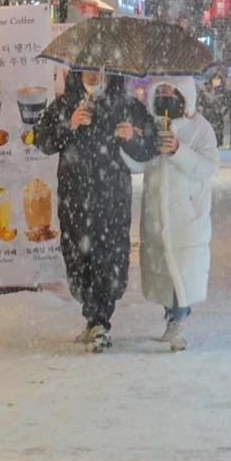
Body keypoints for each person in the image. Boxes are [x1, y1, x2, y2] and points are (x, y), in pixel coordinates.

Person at [34, 68, 158, 351]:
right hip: (74, 198)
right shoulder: (65, 105)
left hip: (111, 197)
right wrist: (70, 124)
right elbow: (41, 141)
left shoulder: (125, 105)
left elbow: (149, 148)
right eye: (86, 68)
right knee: (77, 259)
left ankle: (99, 320)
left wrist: (132, 137)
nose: (91, 74)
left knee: (109, 257)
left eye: (98, 67)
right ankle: (92, 314)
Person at [138, 78, 220, 352]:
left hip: (186, 215)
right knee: (164, 271)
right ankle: (170, 316)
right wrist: (129, 142)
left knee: (182, 272)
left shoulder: (200, 128)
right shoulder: (151, 125)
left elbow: (209, 167)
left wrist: (178, 151)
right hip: (155, 215)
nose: (165, 96)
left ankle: (178, 320)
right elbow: (138, 163)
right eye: (160, 91)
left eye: (171, 91)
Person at [197, 72, 230, 148]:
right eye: (215, 79)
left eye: (218, 79)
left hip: (218, 115)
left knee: (218, 131)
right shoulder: (205, 91)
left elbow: (227, 103)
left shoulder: (223, 91)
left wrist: (224, 110)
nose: (216, 81)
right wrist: (201, 109)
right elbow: (200, 102)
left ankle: (217, 144)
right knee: (208, 131)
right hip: (207, 114)